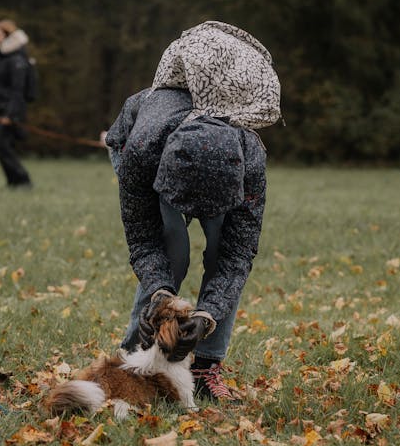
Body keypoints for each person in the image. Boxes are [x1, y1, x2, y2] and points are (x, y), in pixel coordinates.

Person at [105, 21, 281, 403]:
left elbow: (236, 258)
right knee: (172, 255)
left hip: (211, 170)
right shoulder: (141, 152)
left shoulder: (249, 159)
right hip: (147, 155)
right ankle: (136, 355)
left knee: (222, 249)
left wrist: (207, 316)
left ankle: (205, 367)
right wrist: (158, 291)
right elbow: (143, 238)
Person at [0, 19, 32, 188]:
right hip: (0, 110)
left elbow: (18, 91)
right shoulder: (2, 58)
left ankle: (23, 180)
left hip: (11, 112)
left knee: (2, 146)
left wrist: (10, 115)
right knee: (2, 147)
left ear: (7, 35)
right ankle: (14, 182)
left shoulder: (17, 60)